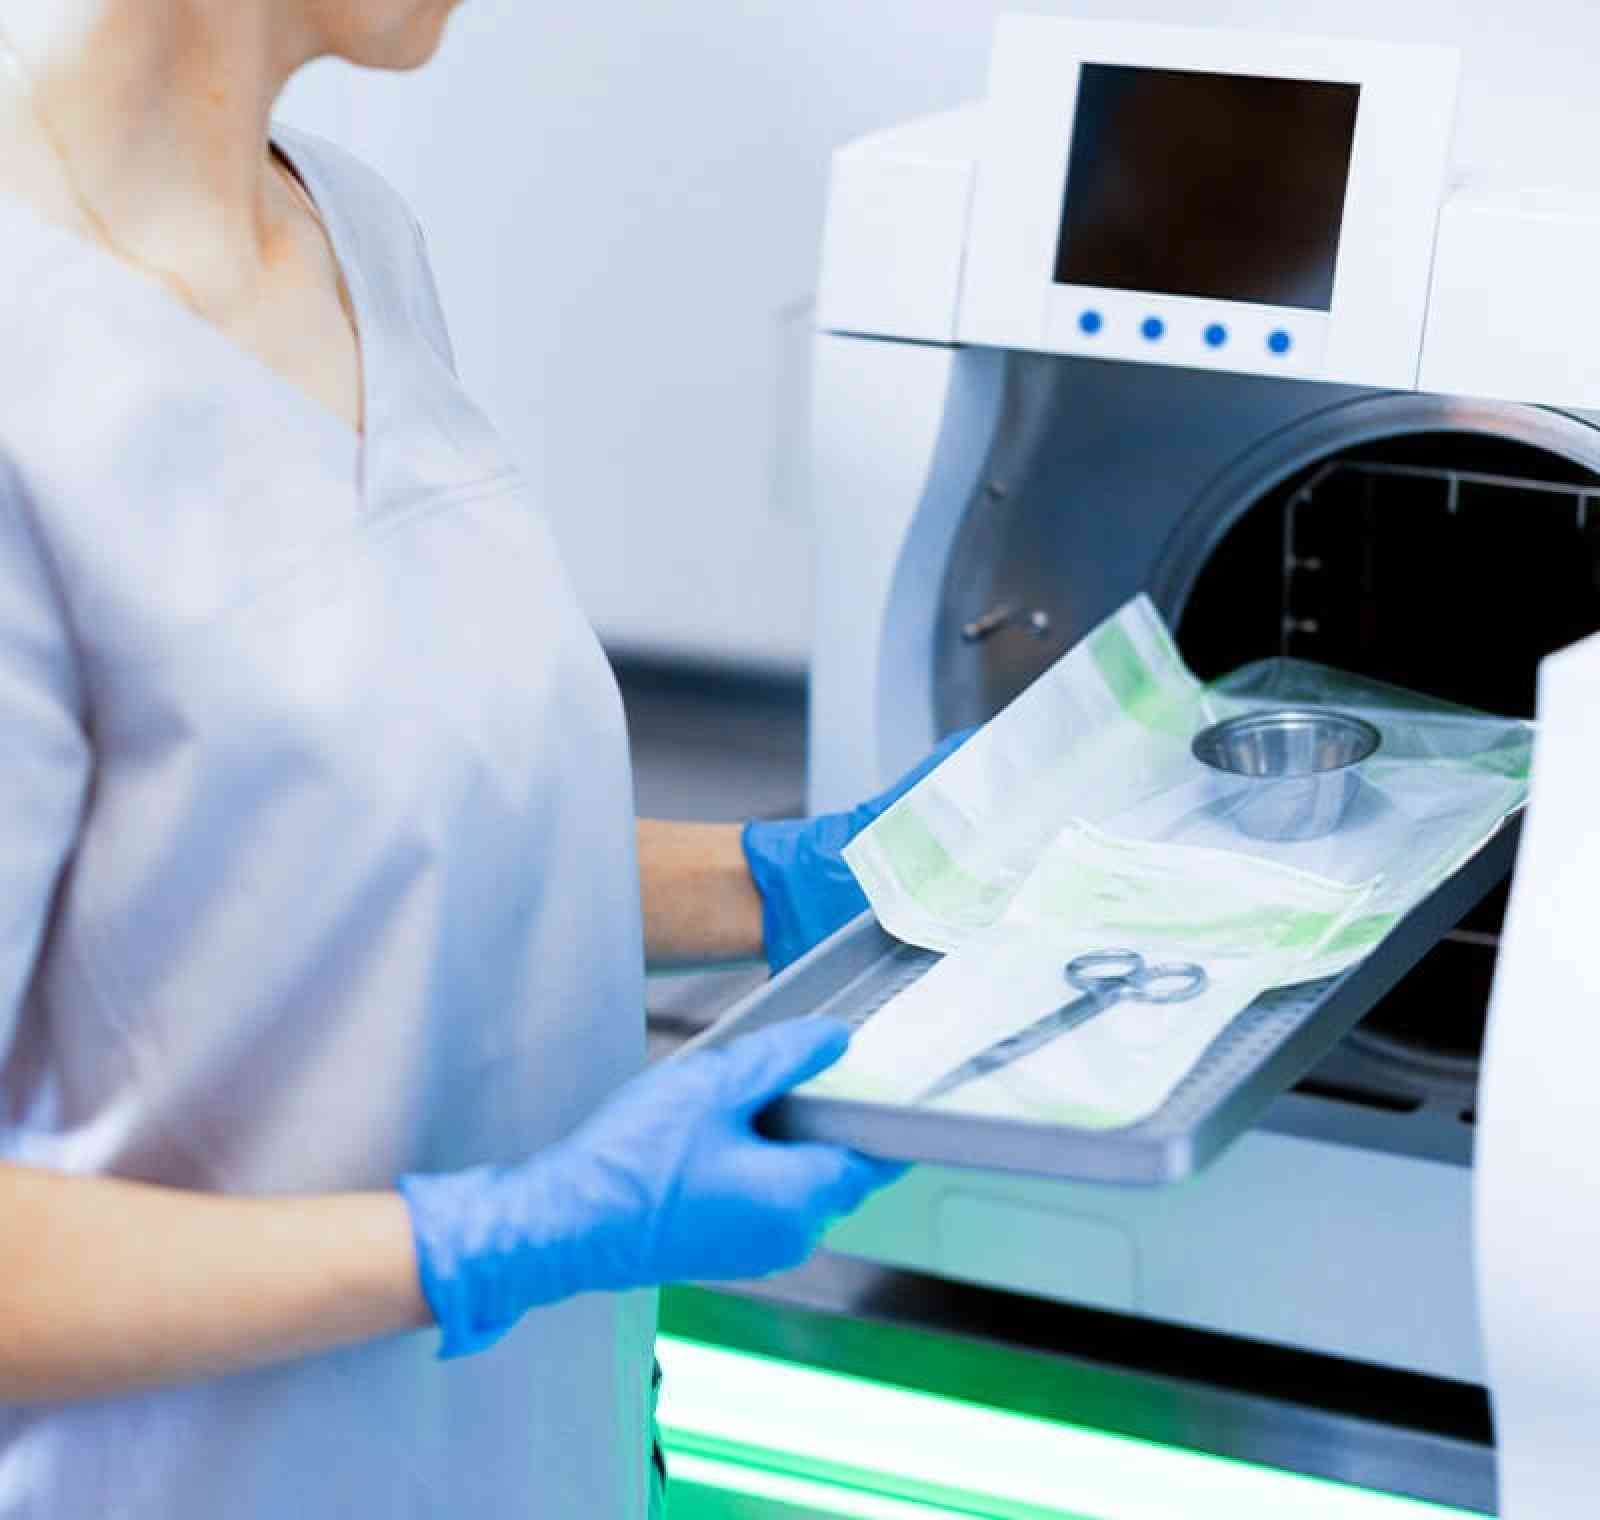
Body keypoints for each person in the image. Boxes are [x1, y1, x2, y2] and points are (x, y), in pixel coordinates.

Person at [0, 3, 961, 1513]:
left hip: (532, 1453)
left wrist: (789, 884)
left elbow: (338, 842)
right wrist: (499, 1236)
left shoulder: (349, 233)